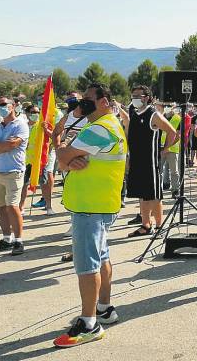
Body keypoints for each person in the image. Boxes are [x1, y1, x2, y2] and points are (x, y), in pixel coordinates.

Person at [53, 83, 126, 347]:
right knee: (102, 256)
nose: (82, 104)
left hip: (90, 206)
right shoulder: (106, 124)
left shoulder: (99, 127)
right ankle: (104, 307)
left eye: (88, 99)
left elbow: (62, 153)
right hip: (102, 203)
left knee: (87, 265)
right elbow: (65, 157)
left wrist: (65, 156)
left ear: (105, 101)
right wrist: (67, 158)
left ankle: (89, 322)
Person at [123, 86, 176, 237]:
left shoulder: (154, 114)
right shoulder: (133, 112)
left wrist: (165, 149)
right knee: (142, 194)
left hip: (150, 162)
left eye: (137, 96)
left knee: (154, 195)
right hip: (136, 160)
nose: (134, 98)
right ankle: (146, 225)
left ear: (146, 97)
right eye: (132, 95)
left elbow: (172, 132)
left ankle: (160, 226)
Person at [0, 98, 29, 255]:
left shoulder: (20, 124)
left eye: (3, 104)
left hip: (13, 171)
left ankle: (19, 241)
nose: (0, 107)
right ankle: (7, 238)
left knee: (12, 206)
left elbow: (12, 145)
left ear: (13, 106)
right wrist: (2, 146)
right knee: (1, 207)